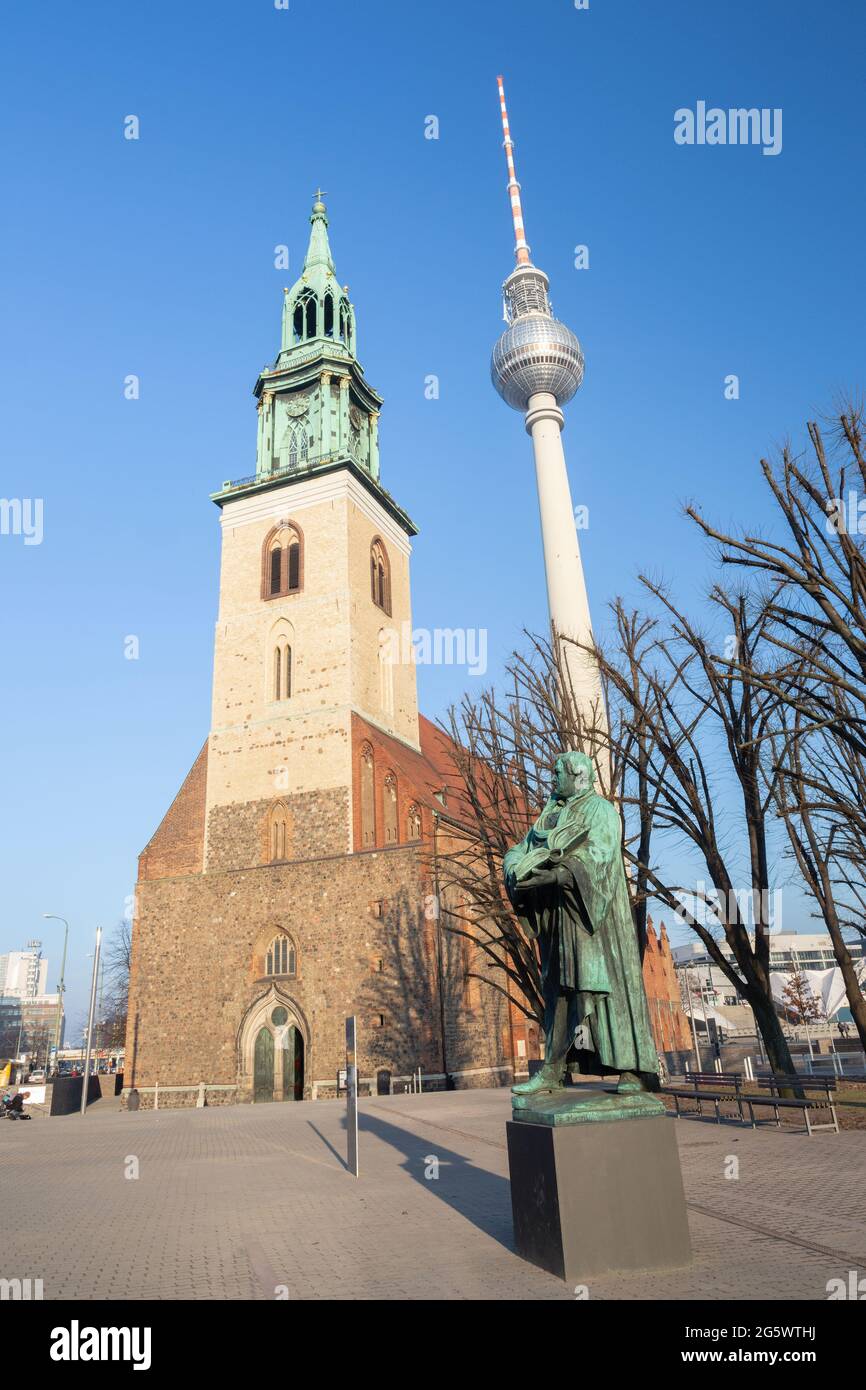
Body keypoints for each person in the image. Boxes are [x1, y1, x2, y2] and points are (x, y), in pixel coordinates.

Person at [505, 750, 660, 1098]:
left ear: (578, 776)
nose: (553, 780)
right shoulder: (553, 815)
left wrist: (557, 874)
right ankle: (552, 1070)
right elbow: (520, 848)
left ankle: (630, 1069)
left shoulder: (601, 810)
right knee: (559, 992)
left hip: (595, 921)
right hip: (560, 919)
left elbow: (599, 856)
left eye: (558, 774)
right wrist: (514, 869)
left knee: (602, 990)